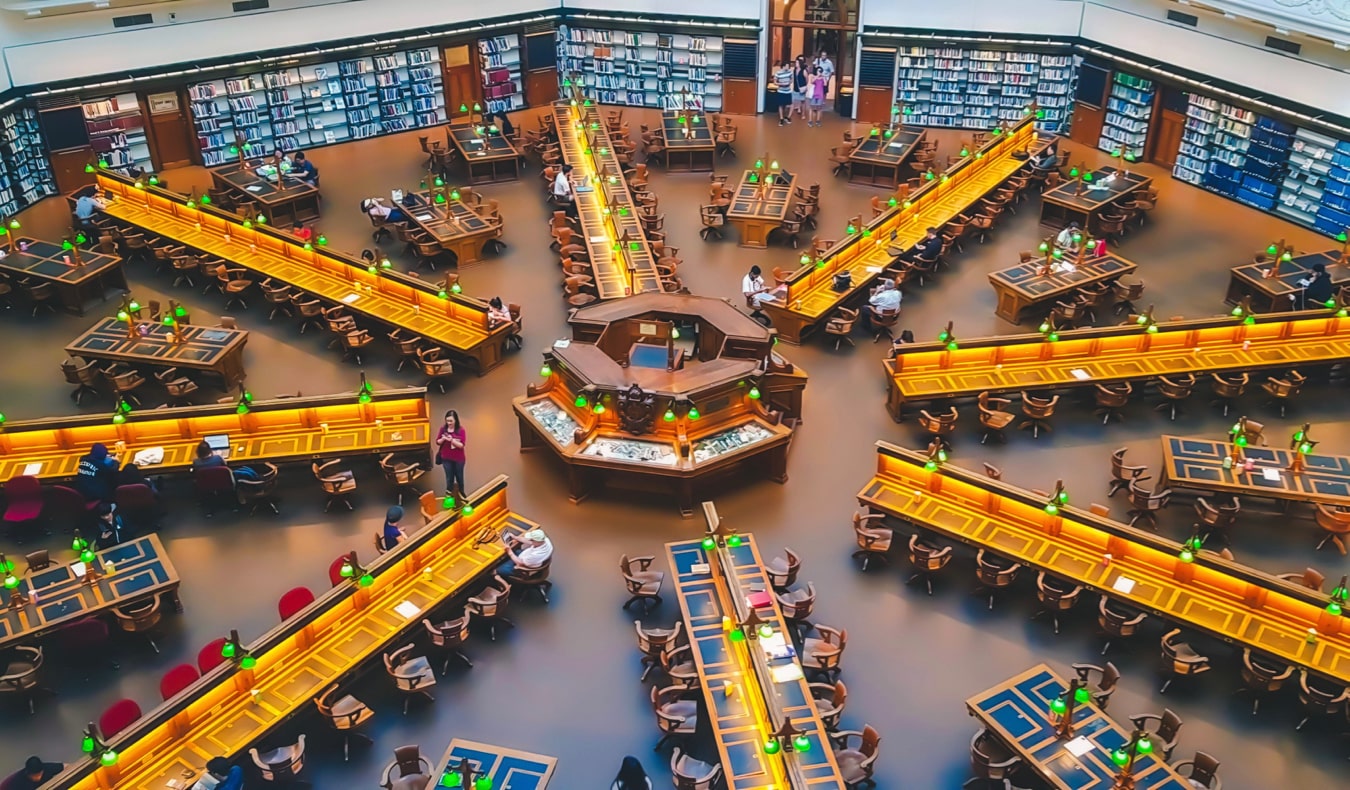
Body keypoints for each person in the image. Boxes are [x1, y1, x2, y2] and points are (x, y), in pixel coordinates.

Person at [435, 409, 467, 499]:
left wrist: (452, 440)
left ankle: (461, 493)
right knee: (449, 478)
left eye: (451, 421)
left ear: (455, 420)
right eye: (447, 420)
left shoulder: (461, 430)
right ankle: (449, 495)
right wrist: (443, 439)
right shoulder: (443, 429)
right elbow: (437, 442)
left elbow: (461, 445)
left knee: (459, 477)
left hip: (458, 459)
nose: (449, 423)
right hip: (446, 458)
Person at [773, 60, 794, 126]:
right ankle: (781, 119)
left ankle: (788, 117)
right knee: (781, 105)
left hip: (788, 91)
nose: (789, 67)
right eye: (787, 66)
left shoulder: (790, 72)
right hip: (781, 91)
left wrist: (789, 82)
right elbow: (775, 82)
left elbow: (792, 79)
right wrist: (781, 84)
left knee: (789, 104)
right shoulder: (778, 73)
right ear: (784, 66)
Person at [791, 55, 808, 120]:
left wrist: (804, 86)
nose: (795, 64)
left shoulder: (804, 70)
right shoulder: (795, 70)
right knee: (792, 100)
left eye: (797, 63)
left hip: (802, 88)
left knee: (803, 101)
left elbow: (806, 79)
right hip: (795, 88)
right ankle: (791, 113)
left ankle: (803, 114)